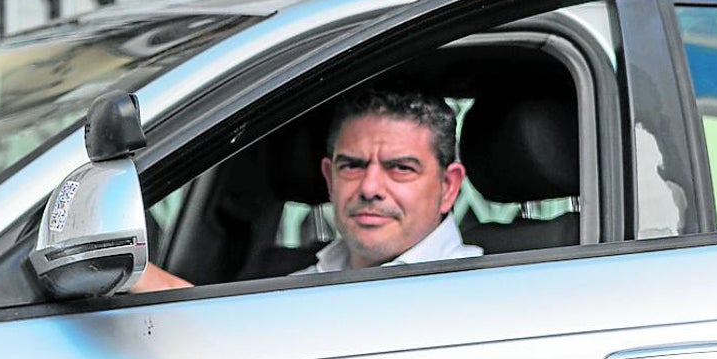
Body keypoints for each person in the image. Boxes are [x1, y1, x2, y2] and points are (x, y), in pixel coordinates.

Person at [131, 88, 481, 291]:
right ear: (329, 178)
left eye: (401, 169)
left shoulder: (485, 293)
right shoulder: (296, 283)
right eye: (352, 166)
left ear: (449, 186)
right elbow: (217, 340)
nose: (370, 188)